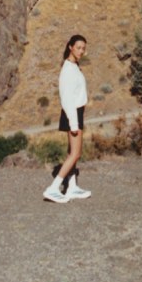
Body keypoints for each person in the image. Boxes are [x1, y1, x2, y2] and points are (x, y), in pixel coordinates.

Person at [44, 34, 92, 203]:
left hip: (76, 113)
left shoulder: (74, 66)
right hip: (72, 114)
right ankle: (53, 188)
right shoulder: (68, 69)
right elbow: (66, 99)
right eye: (78, 47)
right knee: (76, 153)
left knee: (72, 152)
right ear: (70, 47)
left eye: (83, 48)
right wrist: (73, 123)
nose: (81, 51)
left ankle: (71, 188)